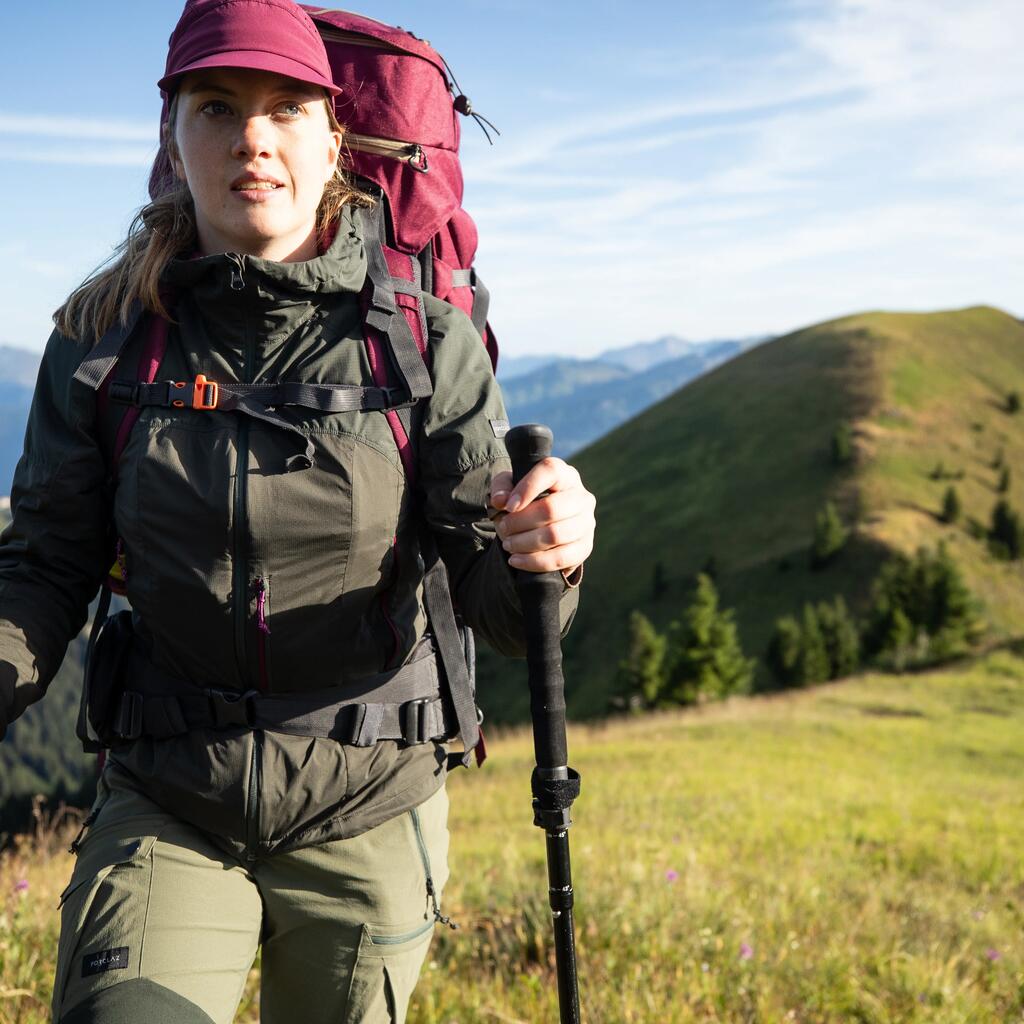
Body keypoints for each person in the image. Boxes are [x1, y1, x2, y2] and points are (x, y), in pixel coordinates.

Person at [0, 1, 596, 1021]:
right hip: (170, 794)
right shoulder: (102, 338)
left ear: (335, 138)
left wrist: (546, 555)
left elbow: (491, 604)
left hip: (370, 799)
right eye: (217, 106)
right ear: (170, 135)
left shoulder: (422, 342)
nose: (252, 139)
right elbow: (47, 565)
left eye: (286, 108)